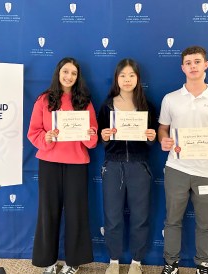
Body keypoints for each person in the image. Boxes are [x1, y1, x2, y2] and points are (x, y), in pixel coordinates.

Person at [158, 46, 208, 274]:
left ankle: (203, 263)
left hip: (207, 171)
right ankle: (170, 263)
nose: (193, 66)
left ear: (205, 65)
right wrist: (164, 140)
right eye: (188, 62)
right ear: (183, 67)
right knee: (172, 220)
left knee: (205, 223)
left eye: (197, 61)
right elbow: (163, 129)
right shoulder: (170, 99)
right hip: (176, 168)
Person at [27, 57, 98, 274]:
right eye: (65, 71)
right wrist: (45, 138)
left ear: (78, 78)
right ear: (58, 73)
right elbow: (33, 132)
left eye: (73, 73)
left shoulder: (84, 102)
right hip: (49, 163)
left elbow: (92, 141)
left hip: (77, 163)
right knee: (48, 211)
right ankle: (48, 260)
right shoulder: (43, 100)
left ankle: (73, 261)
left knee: (76, 212)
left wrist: (89, 134)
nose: (69, 76)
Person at [98, 59, 158, 274]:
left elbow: (153, 140)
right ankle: (113, 260)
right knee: (112, 216)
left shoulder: (147, 106)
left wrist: (151, 137)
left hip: (139, 165)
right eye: (122, 75)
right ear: (117, 78)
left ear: (138, 78)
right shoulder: (106, 106)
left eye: (131, 75)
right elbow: (100, 139)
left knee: (140, 216)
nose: (127, 79)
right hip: (113, 166)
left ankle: (137, 261)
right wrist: (103, 136)